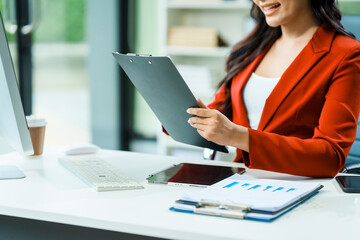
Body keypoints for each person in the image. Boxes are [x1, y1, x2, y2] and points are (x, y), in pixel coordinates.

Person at [186, 0, 360, 177]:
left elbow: (330, 157)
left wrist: (239, 136)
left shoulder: (346, 54)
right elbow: (216, 114)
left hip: (297, 187)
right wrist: (172, 104)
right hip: (241, 181)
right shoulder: (250, 50)